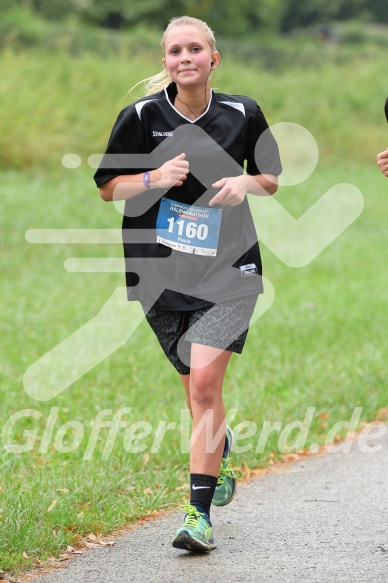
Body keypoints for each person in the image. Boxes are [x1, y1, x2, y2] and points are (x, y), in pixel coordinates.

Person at [94, 15, 281, 553]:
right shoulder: (141, 117)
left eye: (195, 48)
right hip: (158, 270)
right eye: (175, 50)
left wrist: (245, 181)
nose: (185, 58)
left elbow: (269, 177)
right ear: (165, 62)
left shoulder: (243, 112)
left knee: (203, 384)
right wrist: (154, 178)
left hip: (230, 270)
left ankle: (197, 517)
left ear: (213, 59)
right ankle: (217, 451)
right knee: (197, 392)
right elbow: (110, 189)